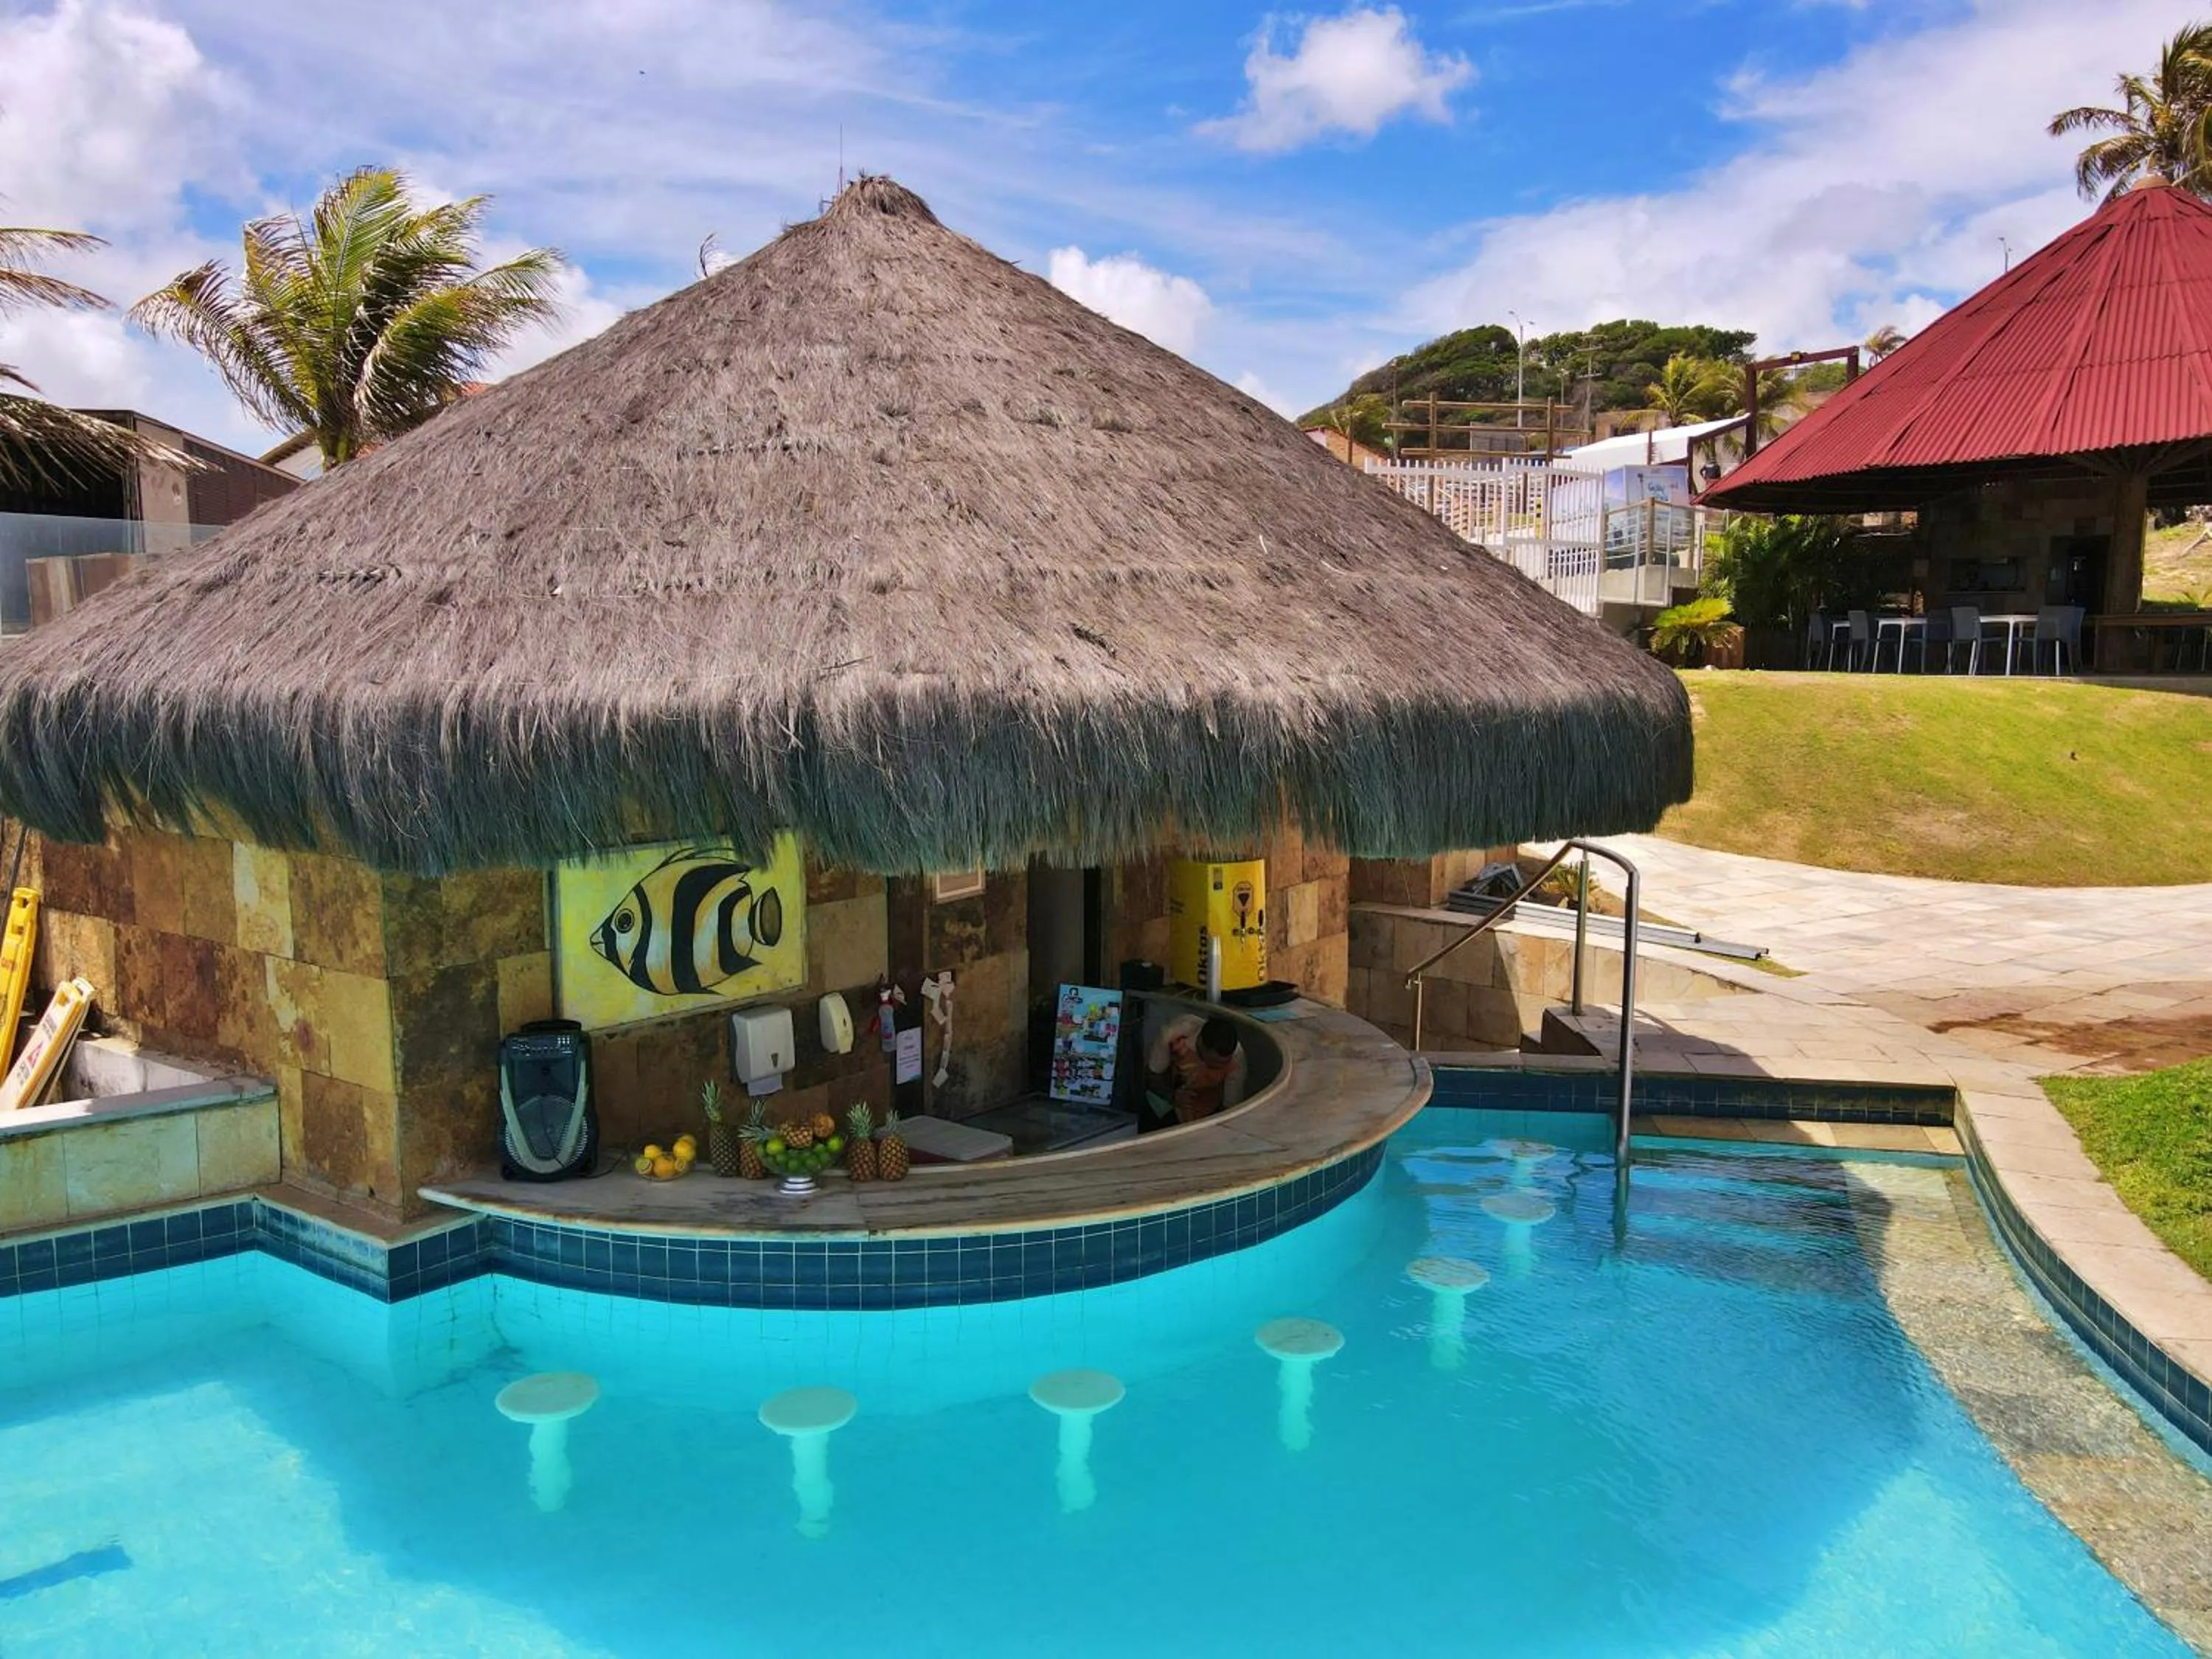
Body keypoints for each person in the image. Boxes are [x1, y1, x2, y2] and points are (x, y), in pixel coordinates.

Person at [1144, 1012, 1247, 1125]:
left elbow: (1230, 1108)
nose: (1219, 1066)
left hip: (1210, 1110)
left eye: (1224, 1063)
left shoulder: (1237, 1056)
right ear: (1201, 1044)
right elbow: (1151, 1075)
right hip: (1168, 1102)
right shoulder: (1173, 1034)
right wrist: (1172, 1096)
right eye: (1213, 1062)